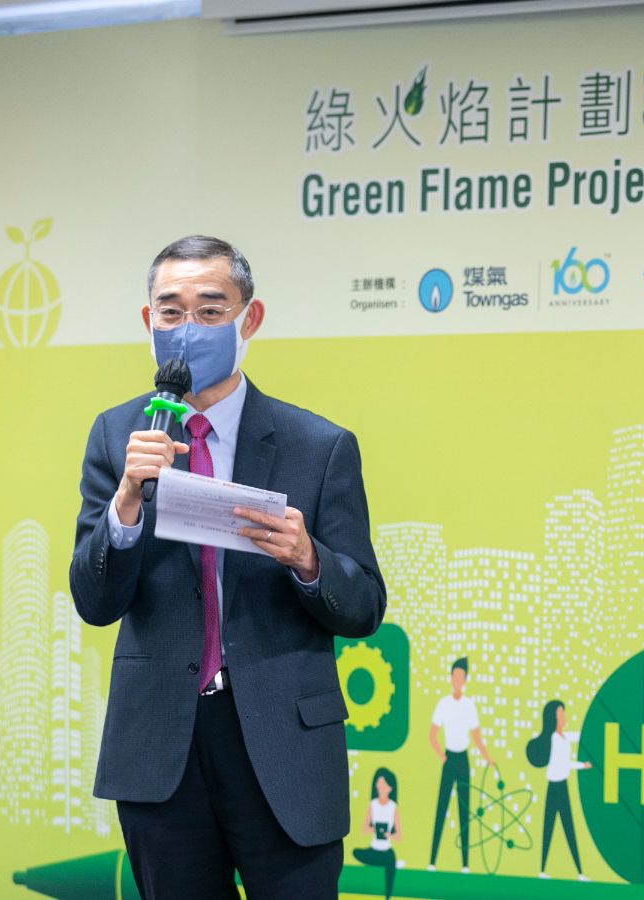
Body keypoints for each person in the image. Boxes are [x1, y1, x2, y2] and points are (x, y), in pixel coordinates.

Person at [69, 235, 386, 899]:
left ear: (250, 318)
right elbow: (95, 603)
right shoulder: (118, 436)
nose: (188, 329)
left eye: (211, 311)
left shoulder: (318, 446)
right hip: (162, 748)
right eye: (171, 311)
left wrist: (308, 559)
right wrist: (126, 503)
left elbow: (364, 608)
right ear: (148, 320)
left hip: (283, 745)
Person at [428, 657, 493, 873]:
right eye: (455, 676)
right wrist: (442, 756)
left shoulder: (469, 705)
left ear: (465, 680)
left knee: (464, 809)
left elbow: (477, 737)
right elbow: (432, 735)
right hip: (449, 759)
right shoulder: (444, 704)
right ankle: (432, 860)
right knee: (441, 807)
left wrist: (488, 758)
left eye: (461, 677)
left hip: (463, 760)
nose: (458, 680)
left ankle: (465, 864)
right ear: (450, 677)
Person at [525, 700, 592, 882]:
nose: (563, 716)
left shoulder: (564, 737)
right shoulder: (554, 739)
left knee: (568, 827)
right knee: (550, 827)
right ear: (554, 717)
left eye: (563, 712)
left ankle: (580, 872)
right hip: (554, 787)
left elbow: (579, 736)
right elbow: (565, 764)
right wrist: (582, 765)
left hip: (562, 785)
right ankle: (542, 870)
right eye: (561, 713)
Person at [352, 768, 403, 900]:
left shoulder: (393, 807)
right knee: (356, 853)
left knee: (391, 864)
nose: (380, 787)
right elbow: (364, 829)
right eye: (378, 784)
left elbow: (399, 836)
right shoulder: (372, 805)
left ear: (390, 788)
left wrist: (388, 834)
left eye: (383, 785)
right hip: (373, 849)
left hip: (387, 850)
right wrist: (374, 829)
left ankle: (387, 896)